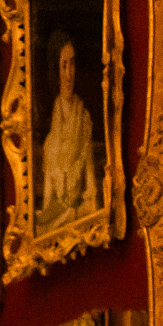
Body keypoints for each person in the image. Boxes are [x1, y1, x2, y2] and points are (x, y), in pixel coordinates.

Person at [38, 35, 98, 228]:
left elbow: (92, 193)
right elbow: (48, 202)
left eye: (72, 65)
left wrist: (73, 213)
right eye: (63, 65)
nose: (68, 74)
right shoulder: (49, 143)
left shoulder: (85, 121)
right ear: (56, 71)